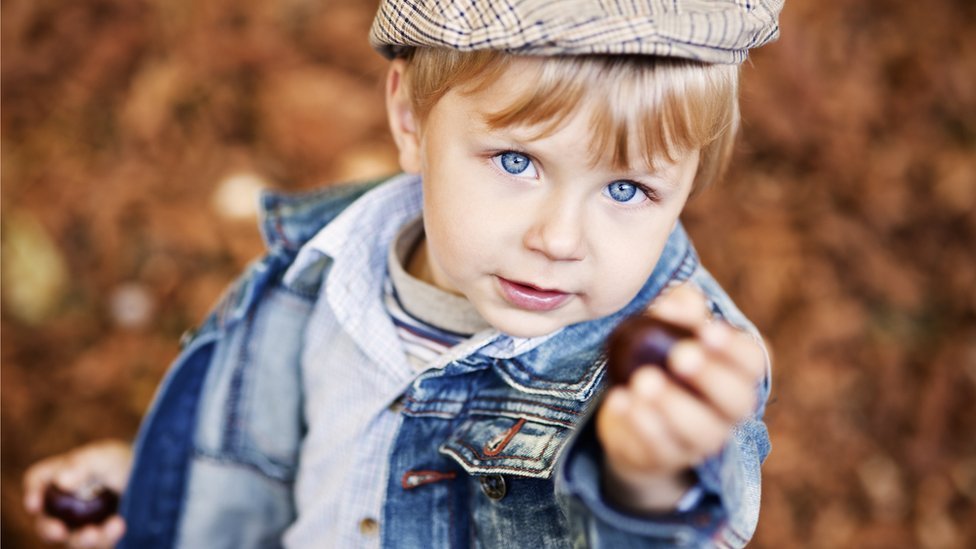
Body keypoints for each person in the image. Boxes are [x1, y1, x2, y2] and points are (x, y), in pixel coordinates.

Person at [23, 0, 783, 547]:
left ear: (687, 186)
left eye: (626, 189)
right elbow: (292, 453)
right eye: (517, 161)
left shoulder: (670, 379)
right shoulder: (325, 266)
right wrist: (163, 484)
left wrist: (648, 481)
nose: (558, 239)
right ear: (412, 121)